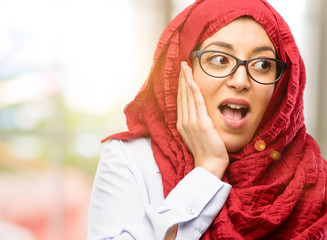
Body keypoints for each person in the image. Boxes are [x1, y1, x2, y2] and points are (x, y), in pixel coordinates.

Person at [87, 0, 327, 239]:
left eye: (263, 64)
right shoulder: (129, 160)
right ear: (182, 69)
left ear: (282, 87)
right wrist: (207, 170)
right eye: (220, 60)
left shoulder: (314, 179)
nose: (241, 81)